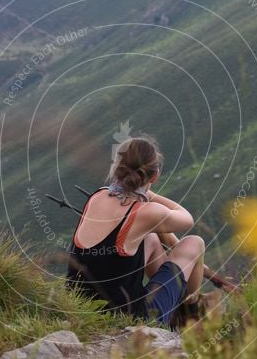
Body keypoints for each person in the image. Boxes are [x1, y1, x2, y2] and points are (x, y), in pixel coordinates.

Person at [65, 134, 207, 326]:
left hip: (78, 304)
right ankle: (190, 308)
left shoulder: (97, 196)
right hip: (129, 318)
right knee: (195, 243)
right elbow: (186, 218)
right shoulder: (147, 213)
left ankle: (171, 305)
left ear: (116, 169)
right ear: (154, 175)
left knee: (150, 239)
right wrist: (150, 194)